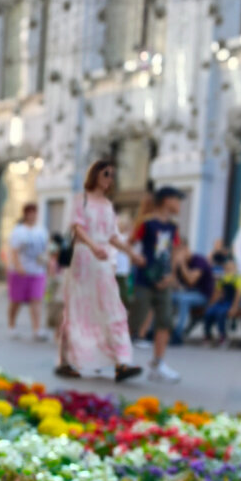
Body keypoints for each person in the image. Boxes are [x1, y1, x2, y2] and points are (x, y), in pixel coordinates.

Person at [56, 160, 142, 382]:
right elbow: (77, 227)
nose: (109, 179)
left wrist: (132, 254)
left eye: (112, 175)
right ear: (95, 174)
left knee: (113, 307)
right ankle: (67, 361)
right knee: (79, 308)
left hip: (102, 262)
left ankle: (122, 362)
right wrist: (93, 246)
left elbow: (113, 236)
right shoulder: (81, 199)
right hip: (84, 257)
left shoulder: (106, 204)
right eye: (106, 173)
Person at [128, 186, 183, 383]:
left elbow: (175, 251)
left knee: (165, 321)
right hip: (145, 279)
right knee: (135, 321)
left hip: (164, 281)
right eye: (177, 200)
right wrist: (136, 257)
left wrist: (172, 274)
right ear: (167, 200)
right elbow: (130, 242)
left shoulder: (173, 226)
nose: (179, 205)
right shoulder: (147, 223)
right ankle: (112, 356)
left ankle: (158, 364)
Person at [7, 202, 49, 341]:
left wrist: (47, 261)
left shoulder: (41, 230)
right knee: (16, 301)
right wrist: (18, 266)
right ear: (25, 214)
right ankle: (12, 326)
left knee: (36, 300)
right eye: (30, 212)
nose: (33, 215)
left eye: (35, 212)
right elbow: (14, 251)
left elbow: (46, 249)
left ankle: (37, 330)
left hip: (37, 271)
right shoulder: (19, 231)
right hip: (20, 271)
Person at [171, 244, 215, 343]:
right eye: (175, 252)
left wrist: (182, 264)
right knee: (166, 297)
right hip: (186, 293)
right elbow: (173, 283)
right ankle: (156, 331)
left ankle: (178, 335)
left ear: (186, 249)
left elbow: (191, 281)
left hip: (202, 295)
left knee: (183, 300)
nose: (177, 254)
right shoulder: (177, 263)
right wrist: (174, 265)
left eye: (179, 251)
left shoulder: (199, 261)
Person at [203, 255, 241, 344]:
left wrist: (234, 307)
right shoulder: (223, 278)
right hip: (224, 302)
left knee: (221, 313)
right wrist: (211, 305)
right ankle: (207, 334)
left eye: (231, 268)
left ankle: (223, 336)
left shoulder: (238, 278)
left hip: (232, 302)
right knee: (209, 313)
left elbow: (238, 295)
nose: (229, 270)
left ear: (235, 268)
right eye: (227, 268)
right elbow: (218, 293)